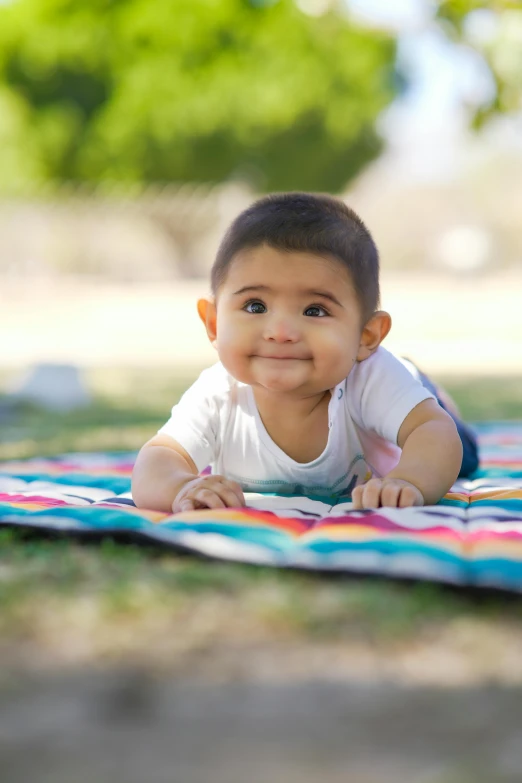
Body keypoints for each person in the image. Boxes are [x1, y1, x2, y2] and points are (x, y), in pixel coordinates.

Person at [132, 193, 478, 514]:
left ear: (365, 335)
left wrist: (409, 482)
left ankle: (429, 388)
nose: (280, 332)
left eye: (314, 310)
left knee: (461, 455)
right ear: (214, 323)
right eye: (256, 306)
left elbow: (434, 433)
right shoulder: (218, 392)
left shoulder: (369, 376)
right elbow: (160, 458)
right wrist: (181, 487)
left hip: (402, 399)